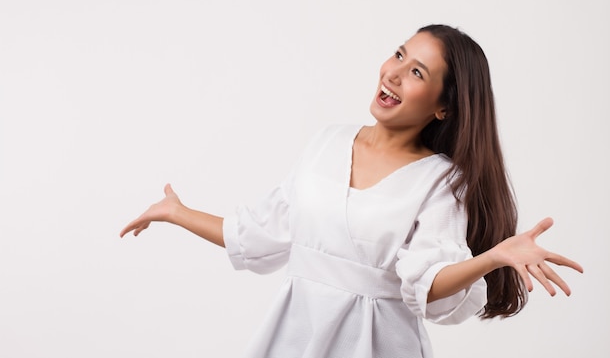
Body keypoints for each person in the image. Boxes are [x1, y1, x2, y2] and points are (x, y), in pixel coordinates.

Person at [120, 24, 583, 358]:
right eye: (399, 54)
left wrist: (492, 257)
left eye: (419, 72)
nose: (395, 73)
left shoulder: (440, 181)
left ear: (444, 107)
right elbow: (263, 233)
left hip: (377, 346)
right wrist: (177, 212)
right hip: (294, 338)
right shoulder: (327, 141)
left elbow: (427, 283)